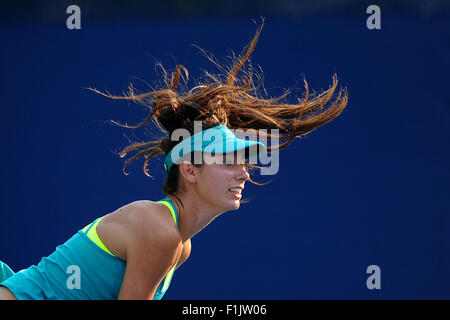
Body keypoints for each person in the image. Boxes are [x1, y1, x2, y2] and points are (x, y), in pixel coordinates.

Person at [0, 22, 348, 300]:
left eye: (244, 162)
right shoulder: (160, 231)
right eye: (228, 161)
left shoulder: (180, 247)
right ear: (190, 170)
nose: (244, 171)